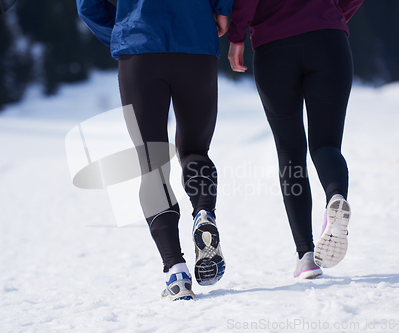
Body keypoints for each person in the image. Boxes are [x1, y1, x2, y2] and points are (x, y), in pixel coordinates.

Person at [76, 0, 233, 300]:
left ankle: (176, 272)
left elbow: (87, 5)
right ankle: (203, 212)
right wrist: (222, 10)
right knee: (195, 150)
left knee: (152, 163)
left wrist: (123, 33)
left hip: (139, 50)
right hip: (196, 43)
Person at [227, 0, 363, 278]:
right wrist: (332, 15)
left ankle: (306, 256)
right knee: (326, 144)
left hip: (274, 47)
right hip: (328, 39)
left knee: (290, 150)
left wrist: (236, 36)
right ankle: (335, 197)